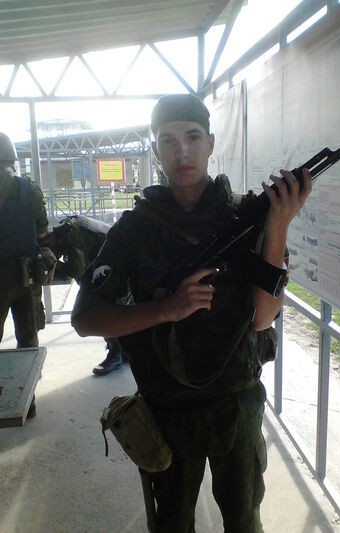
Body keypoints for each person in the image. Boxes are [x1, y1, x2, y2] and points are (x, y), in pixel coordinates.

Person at [71, 94, 312, 532]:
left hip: (236, 403)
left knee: (243, 520)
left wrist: (277, 226)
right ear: (155, 149)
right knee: (173, 524)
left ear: (211, 143)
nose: (182, 151)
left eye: (193, 137)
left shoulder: (249, 217)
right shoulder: (134, 229)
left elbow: (262, 319)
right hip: (165, 407)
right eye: (168, 140)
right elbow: (85, 319)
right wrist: (167, 309)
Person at [39, 215, 126, 376]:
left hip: (111, 271)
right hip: (115, 264)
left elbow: (76, 270)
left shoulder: (70, 237)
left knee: (100, 310)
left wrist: (53, 262)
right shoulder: (68, 226)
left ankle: (116, 354)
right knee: (116, 308)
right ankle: (122, 350)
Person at [0, 132, 49, 418]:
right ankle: (27, 400)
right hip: (27, 277)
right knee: (28, 339)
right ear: (12, 159)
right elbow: (42, 230)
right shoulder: (28, 189)